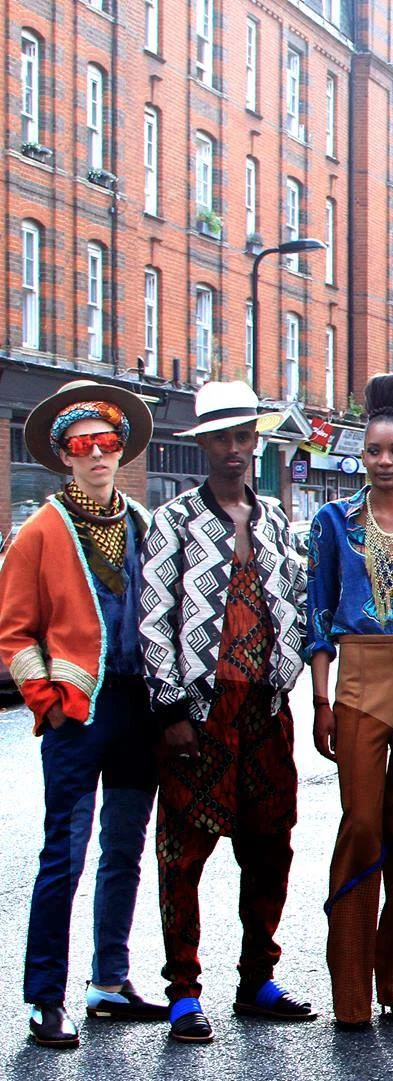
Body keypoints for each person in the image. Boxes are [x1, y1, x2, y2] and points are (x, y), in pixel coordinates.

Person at [138, 380, 316, 1043]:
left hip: (265, 711)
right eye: (222, 438)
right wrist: (170, 707)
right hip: (201, 713)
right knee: (182, 854)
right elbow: (154, 618)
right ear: (205, 445)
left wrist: (288, 674)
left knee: (270, 847)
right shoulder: (175, 520)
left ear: (255, 442)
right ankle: (183, 991)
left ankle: (256, 978)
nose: (234, 448)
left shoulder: (274, 521)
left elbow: (297, 603)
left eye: (244, 436)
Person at [1, 380, 168, 1046]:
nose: (96, 454)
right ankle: (45, 997)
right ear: (64, 455)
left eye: (106, 441)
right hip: (77, 715)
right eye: (82, 445)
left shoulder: (142, 524)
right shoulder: (40, 531)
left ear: (122, 448)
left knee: (124, 849)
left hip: (137, 710)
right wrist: (46, 702)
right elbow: (14, 633)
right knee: (63, 856)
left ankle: (109, 982)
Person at [304, 374, 393, 1031]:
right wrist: (321, 699)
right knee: (362, 824)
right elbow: (319, 613)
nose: (384, 460)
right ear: (360, 455)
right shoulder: (332, 522)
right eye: (374, 450)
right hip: (358, 678)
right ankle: (351, 993)